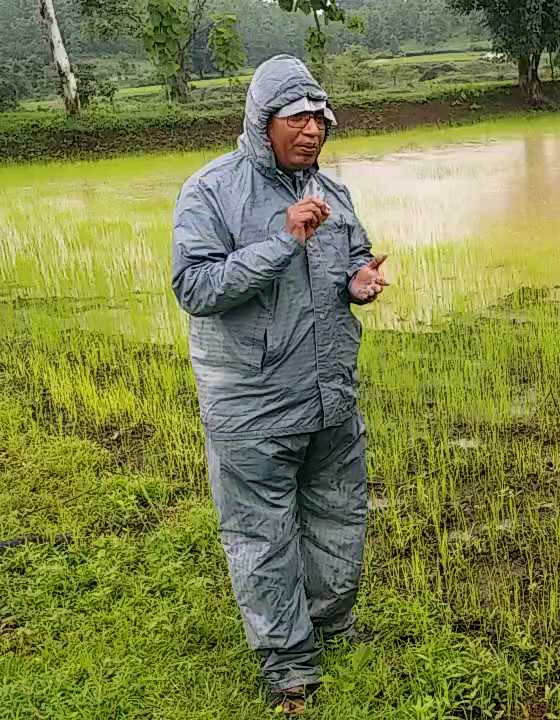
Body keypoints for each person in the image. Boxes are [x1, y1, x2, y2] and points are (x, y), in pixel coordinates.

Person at [171, 55, 389, 716]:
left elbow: (352, 257)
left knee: (339, 514)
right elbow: (196, 287)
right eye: (297, 118)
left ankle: (329, 621)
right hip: (254, 408)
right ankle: (289, 665)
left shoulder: (335, 191)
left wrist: (360, 283)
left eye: (320, 119)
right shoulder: (211, 192)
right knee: (263, 533)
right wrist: (282, 241)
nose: (312, 131)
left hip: (328, 396)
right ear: (262, 122)